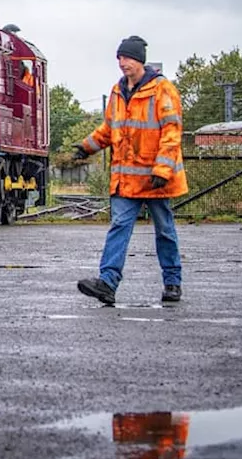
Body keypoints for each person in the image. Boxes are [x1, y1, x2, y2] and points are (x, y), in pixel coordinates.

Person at [74, 35, 189, 305]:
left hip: (155, 179)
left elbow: (172, 132)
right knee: (119, 226)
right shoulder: (117, 91)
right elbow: (109, 129)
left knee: (164, 231)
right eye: (119, 58)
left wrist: (162, 170)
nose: (122, 63)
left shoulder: (163, 90)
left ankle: (172, 282)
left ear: (139, 60)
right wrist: (86, 147)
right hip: (127, 179)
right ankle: (108, 283)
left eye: (126, 58)